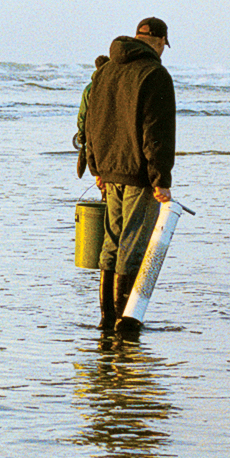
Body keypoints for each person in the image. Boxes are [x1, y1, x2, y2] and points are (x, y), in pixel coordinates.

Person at [82, 17, 176, 334]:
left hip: (108, 171)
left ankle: (107, 318)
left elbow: (92, 122)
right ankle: (126, 321)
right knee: (132, 245)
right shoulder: (155, 73)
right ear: (160, 41)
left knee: (111, 243)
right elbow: (157, 133)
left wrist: (95, 167)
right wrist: (161, 178)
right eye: (164, 45)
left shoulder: (105, 70)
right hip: (137, 173)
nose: (163, 50)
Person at [74, 54, 110, 179]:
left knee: (98, 173)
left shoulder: (89, 89)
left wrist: (81, 137)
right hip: (111, 136)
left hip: (92, 135)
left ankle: (104, 194)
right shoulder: (115, 86)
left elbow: (82, 115)